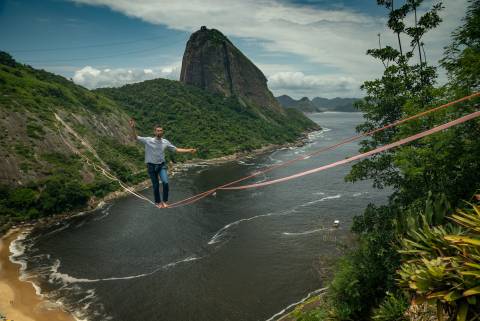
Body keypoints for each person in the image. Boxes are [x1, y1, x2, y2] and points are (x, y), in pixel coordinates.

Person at [129, 119, 196, 208]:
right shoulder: (148, 140)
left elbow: (176, 149)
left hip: (161, 165)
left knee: (165, 182)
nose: (159, 132)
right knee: (156, 185)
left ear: (162, 132)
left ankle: (164, 201)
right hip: (151, 166)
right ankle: (158, 202)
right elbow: (136, 137)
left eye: (161, 130)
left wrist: (189, 150)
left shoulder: (165, 142)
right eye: (158, 130)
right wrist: (133, 128)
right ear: (154, 132)